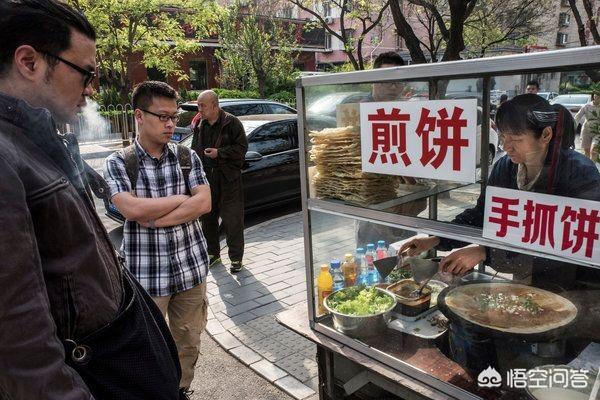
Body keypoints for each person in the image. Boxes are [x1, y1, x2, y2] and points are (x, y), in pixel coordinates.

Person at [0, 1, 185, 399]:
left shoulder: (36, 142)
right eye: (85, 73)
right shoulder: (6, 156)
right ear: (29, 62)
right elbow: (21, 346)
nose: (91, 89)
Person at [399, 94, 600, 288]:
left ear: (546, 135)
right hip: (522, 276)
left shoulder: (579, 172)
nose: (506, 146)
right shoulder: (505, 166)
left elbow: (575, 241)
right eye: (503, 137)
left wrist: (485, 252)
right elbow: (482, 214)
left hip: (570, 283)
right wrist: (436, 239)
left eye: (517, 139)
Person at [104, 81, 211, 394]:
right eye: (162, 116)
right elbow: (131, 208)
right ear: (139, 115)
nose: (169, 124)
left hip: (191, 271)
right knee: (145, 350)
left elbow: (204, 203)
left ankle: (181, 390)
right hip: (147, 278)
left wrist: (155, 218)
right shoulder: (120, 162)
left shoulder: (187, 157)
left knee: (188, 341)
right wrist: (182, 200)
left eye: (173, 117)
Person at [191, 90, 248, 273]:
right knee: (208, 217)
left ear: (215, 105)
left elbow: (241, 149)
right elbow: (194, 149)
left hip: (229, 178)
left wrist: (219, 153)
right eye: (198, 105)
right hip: (207, 178)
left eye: (202, 106)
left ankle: (236, 259)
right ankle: (212, 254)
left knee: (233, 219)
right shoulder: (200, 123)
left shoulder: (232, 122)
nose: (199, 110)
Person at [574, 91, 600, 158]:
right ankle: (589, 167)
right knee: (586, 151)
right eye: (596, 95)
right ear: (593, 96)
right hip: (586, 129)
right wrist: (573, 127)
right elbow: (577, 117)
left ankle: (593, 166)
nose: (597, 97)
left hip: (598, 130)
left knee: (594, 149)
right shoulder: (587, 106)